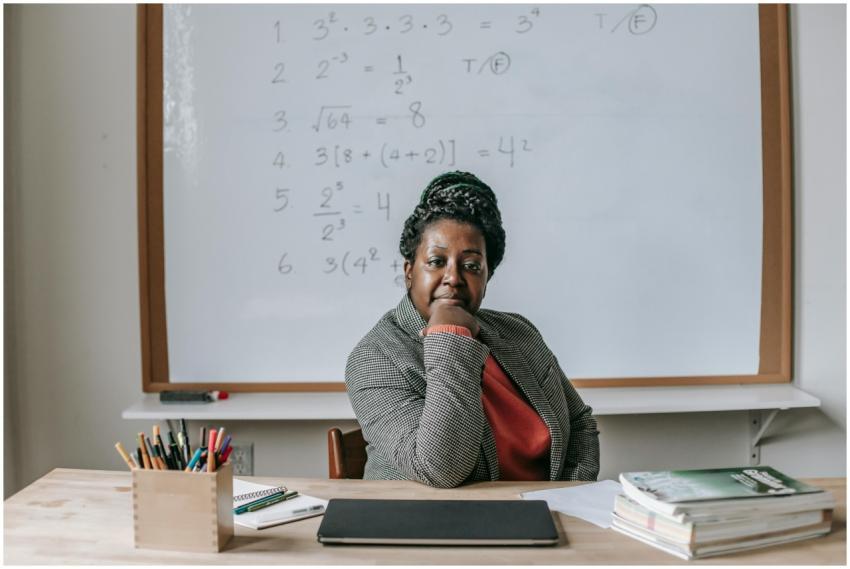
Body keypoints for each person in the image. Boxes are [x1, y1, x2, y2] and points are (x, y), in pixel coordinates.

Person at [345, 171, 600, 487]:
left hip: (541, 516)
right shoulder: (375, 358)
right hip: (432, 527)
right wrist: (448, 336)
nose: (453, 277)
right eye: (437, 262)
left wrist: (569, 496)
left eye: (471, 266)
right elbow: (440, 469)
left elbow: (579, 424)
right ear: (409, 271)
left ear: (486, 277)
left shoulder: (518, 331)